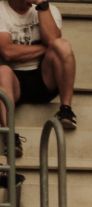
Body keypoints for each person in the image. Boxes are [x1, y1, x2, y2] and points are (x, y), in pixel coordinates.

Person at [0, 0, 77, 130]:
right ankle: (9, 134)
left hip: (44, 77)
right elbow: (8, 52)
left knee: (62, 46)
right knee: (3, 72)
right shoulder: (1, 10)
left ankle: (66, 110)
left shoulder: (48, 10)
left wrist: (42, 6)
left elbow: (54, 42)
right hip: (12, 81)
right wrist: (45, 48)